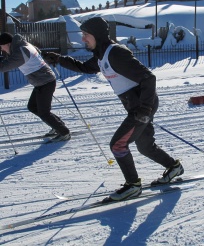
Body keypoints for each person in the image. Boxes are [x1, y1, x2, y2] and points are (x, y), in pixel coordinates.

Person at [43, 17, 184, 201]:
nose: (83, 39)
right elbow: (86, 68)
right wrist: (60, 59)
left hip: (141, 106)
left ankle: (133, 185)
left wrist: (144, 109)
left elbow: (149, 78)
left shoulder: (116, 53)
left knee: (118, 144)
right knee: (145, 146)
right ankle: (174, 168)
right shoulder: (102, 55)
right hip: (137, 105)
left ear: (97, 35)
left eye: (86, 35)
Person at [0, 32, 70, 142]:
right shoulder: (23, 45)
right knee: (33, 106)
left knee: (43, 112)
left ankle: (64, 132)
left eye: (1, 46)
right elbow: (39, 51)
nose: (2, 50)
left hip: (45, 82)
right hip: (42, 81)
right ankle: (57, 125)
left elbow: (4, 66)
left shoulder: (20, 52)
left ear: (7, 44)